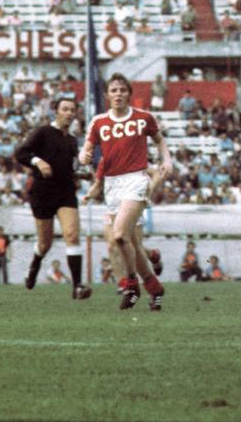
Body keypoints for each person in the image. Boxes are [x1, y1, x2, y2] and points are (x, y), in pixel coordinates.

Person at [82, 74, 173, 310]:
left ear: (129, 94)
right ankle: (154, 288)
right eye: (114, 90)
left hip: (136, 181)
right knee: (132, 245)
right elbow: (88, 149)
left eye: (123, 90)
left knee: (119, 235)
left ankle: (132, 284)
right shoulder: (99, 122)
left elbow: (160, 140)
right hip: (112, 186)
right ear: (107, 95)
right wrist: (84, 155)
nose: (118, 94)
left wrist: (167, 160)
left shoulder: (143, 118)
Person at [14, 97, 91, 299]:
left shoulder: (72, 140)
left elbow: (69, 169)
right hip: (42, 192)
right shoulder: (43, 132)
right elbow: (20, 153)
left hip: (65, 192)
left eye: (72, 109)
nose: (69, 113)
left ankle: (77, 287)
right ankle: (34, 265)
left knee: (72, 234)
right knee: (44, 244)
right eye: (65, 109)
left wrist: (82, 175)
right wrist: (38, 161)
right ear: (56, 111)